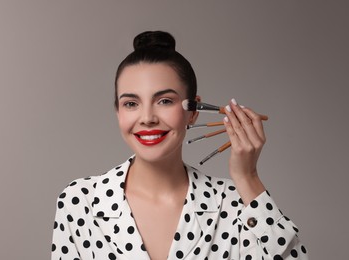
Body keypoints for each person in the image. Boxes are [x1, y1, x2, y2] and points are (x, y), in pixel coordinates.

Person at [52, 31, 308, 260]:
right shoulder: (81, 201)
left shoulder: (234, 203)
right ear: (118, 111)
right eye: (131, 103)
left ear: (193, 111)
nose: (148, 118)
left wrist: (248, 177)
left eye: (164, 101)